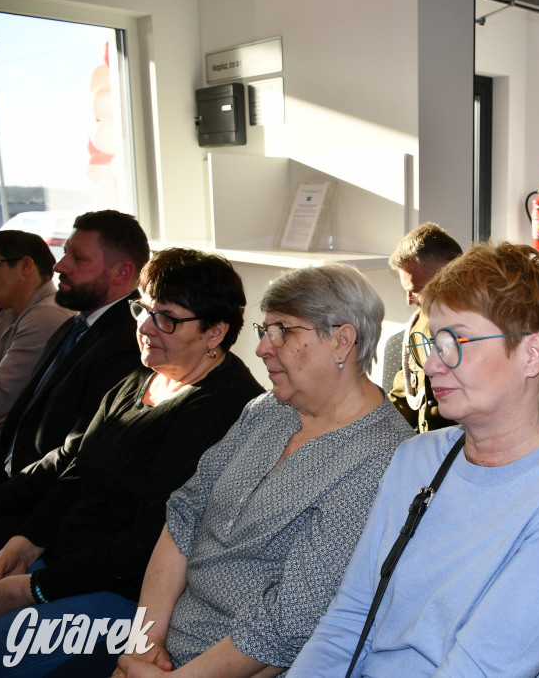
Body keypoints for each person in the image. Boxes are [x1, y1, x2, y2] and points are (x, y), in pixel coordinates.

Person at [290, 242, 539, 678]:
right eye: (432, 341)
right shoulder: (417, 458)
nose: (431, 364)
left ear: (532, 354)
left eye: (456, 341)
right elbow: (349, 617)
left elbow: (480, 669)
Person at [110, 263, 413, 678]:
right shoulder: (269, 409)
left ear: (342, 341)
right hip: (159, 652)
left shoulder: (382, 456)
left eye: (282, 331)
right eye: (264, 330)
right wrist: (144, 646)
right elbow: (184, 515)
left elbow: (292, 621)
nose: (261, 349)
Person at [0, 247, 263, 677]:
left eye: (167, 318)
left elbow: (149, 540)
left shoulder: (222, 407)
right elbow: (78, 469)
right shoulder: (145, 374)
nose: (145, 327)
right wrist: (26, 543)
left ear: (215, 332)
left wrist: (32, 588)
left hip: (130, 593)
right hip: (66, 565)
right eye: (143, 309)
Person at [0, 210, 149, 484]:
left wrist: (3, 496)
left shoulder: (130, 342)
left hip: (37, 493)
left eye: (78, 258)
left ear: (122, 272)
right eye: (66, 252)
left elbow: (75, 455)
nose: (59, 266)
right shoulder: (76, 324)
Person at [0, 231, 73, 443]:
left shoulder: (46, 315)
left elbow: (0, 397)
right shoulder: (10, 312)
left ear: (26, 266)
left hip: (15, 448)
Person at [387, 222, 462, 432]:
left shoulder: (484, 330)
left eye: (416, 290)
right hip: (425, 443)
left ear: (449, 275)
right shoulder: (419, 325)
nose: (409, 301)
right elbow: (406, 396)